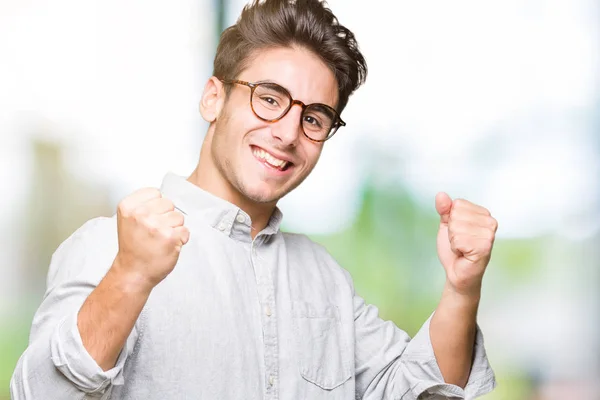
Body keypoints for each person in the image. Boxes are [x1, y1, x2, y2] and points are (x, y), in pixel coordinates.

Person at [11, 0, 498, 399]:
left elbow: (417, 391)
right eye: (269, 97)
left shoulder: (324, 278)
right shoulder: (108, 246)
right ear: (213, 99)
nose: (288, 133)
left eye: (314, 118)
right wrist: (130, 276)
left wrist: (462, 289)